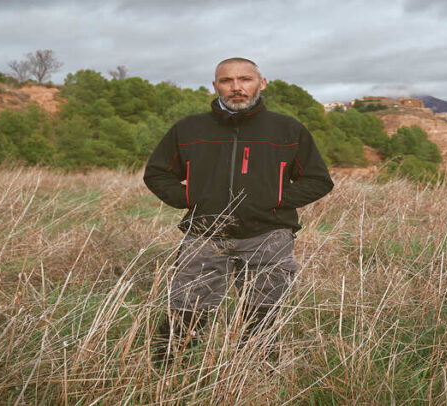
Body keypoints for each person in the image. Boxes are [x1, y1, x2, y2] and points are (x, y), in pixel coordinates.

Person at [143, 57, 334, 363]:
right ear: (215, 85)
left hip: (268, 234)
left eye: (245, 79)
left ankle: (257, 378)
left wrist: (274, 201)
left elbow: (318, 180)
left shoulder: (287, 129)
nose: (236, 88)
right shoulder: (189, 128)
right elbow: (157, 173)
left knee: (262, 316)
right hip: (205, 235)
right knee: (185, 312)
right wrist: (189, 198)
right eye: (226, 81)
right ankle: (168, 374)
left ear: (262, 83)